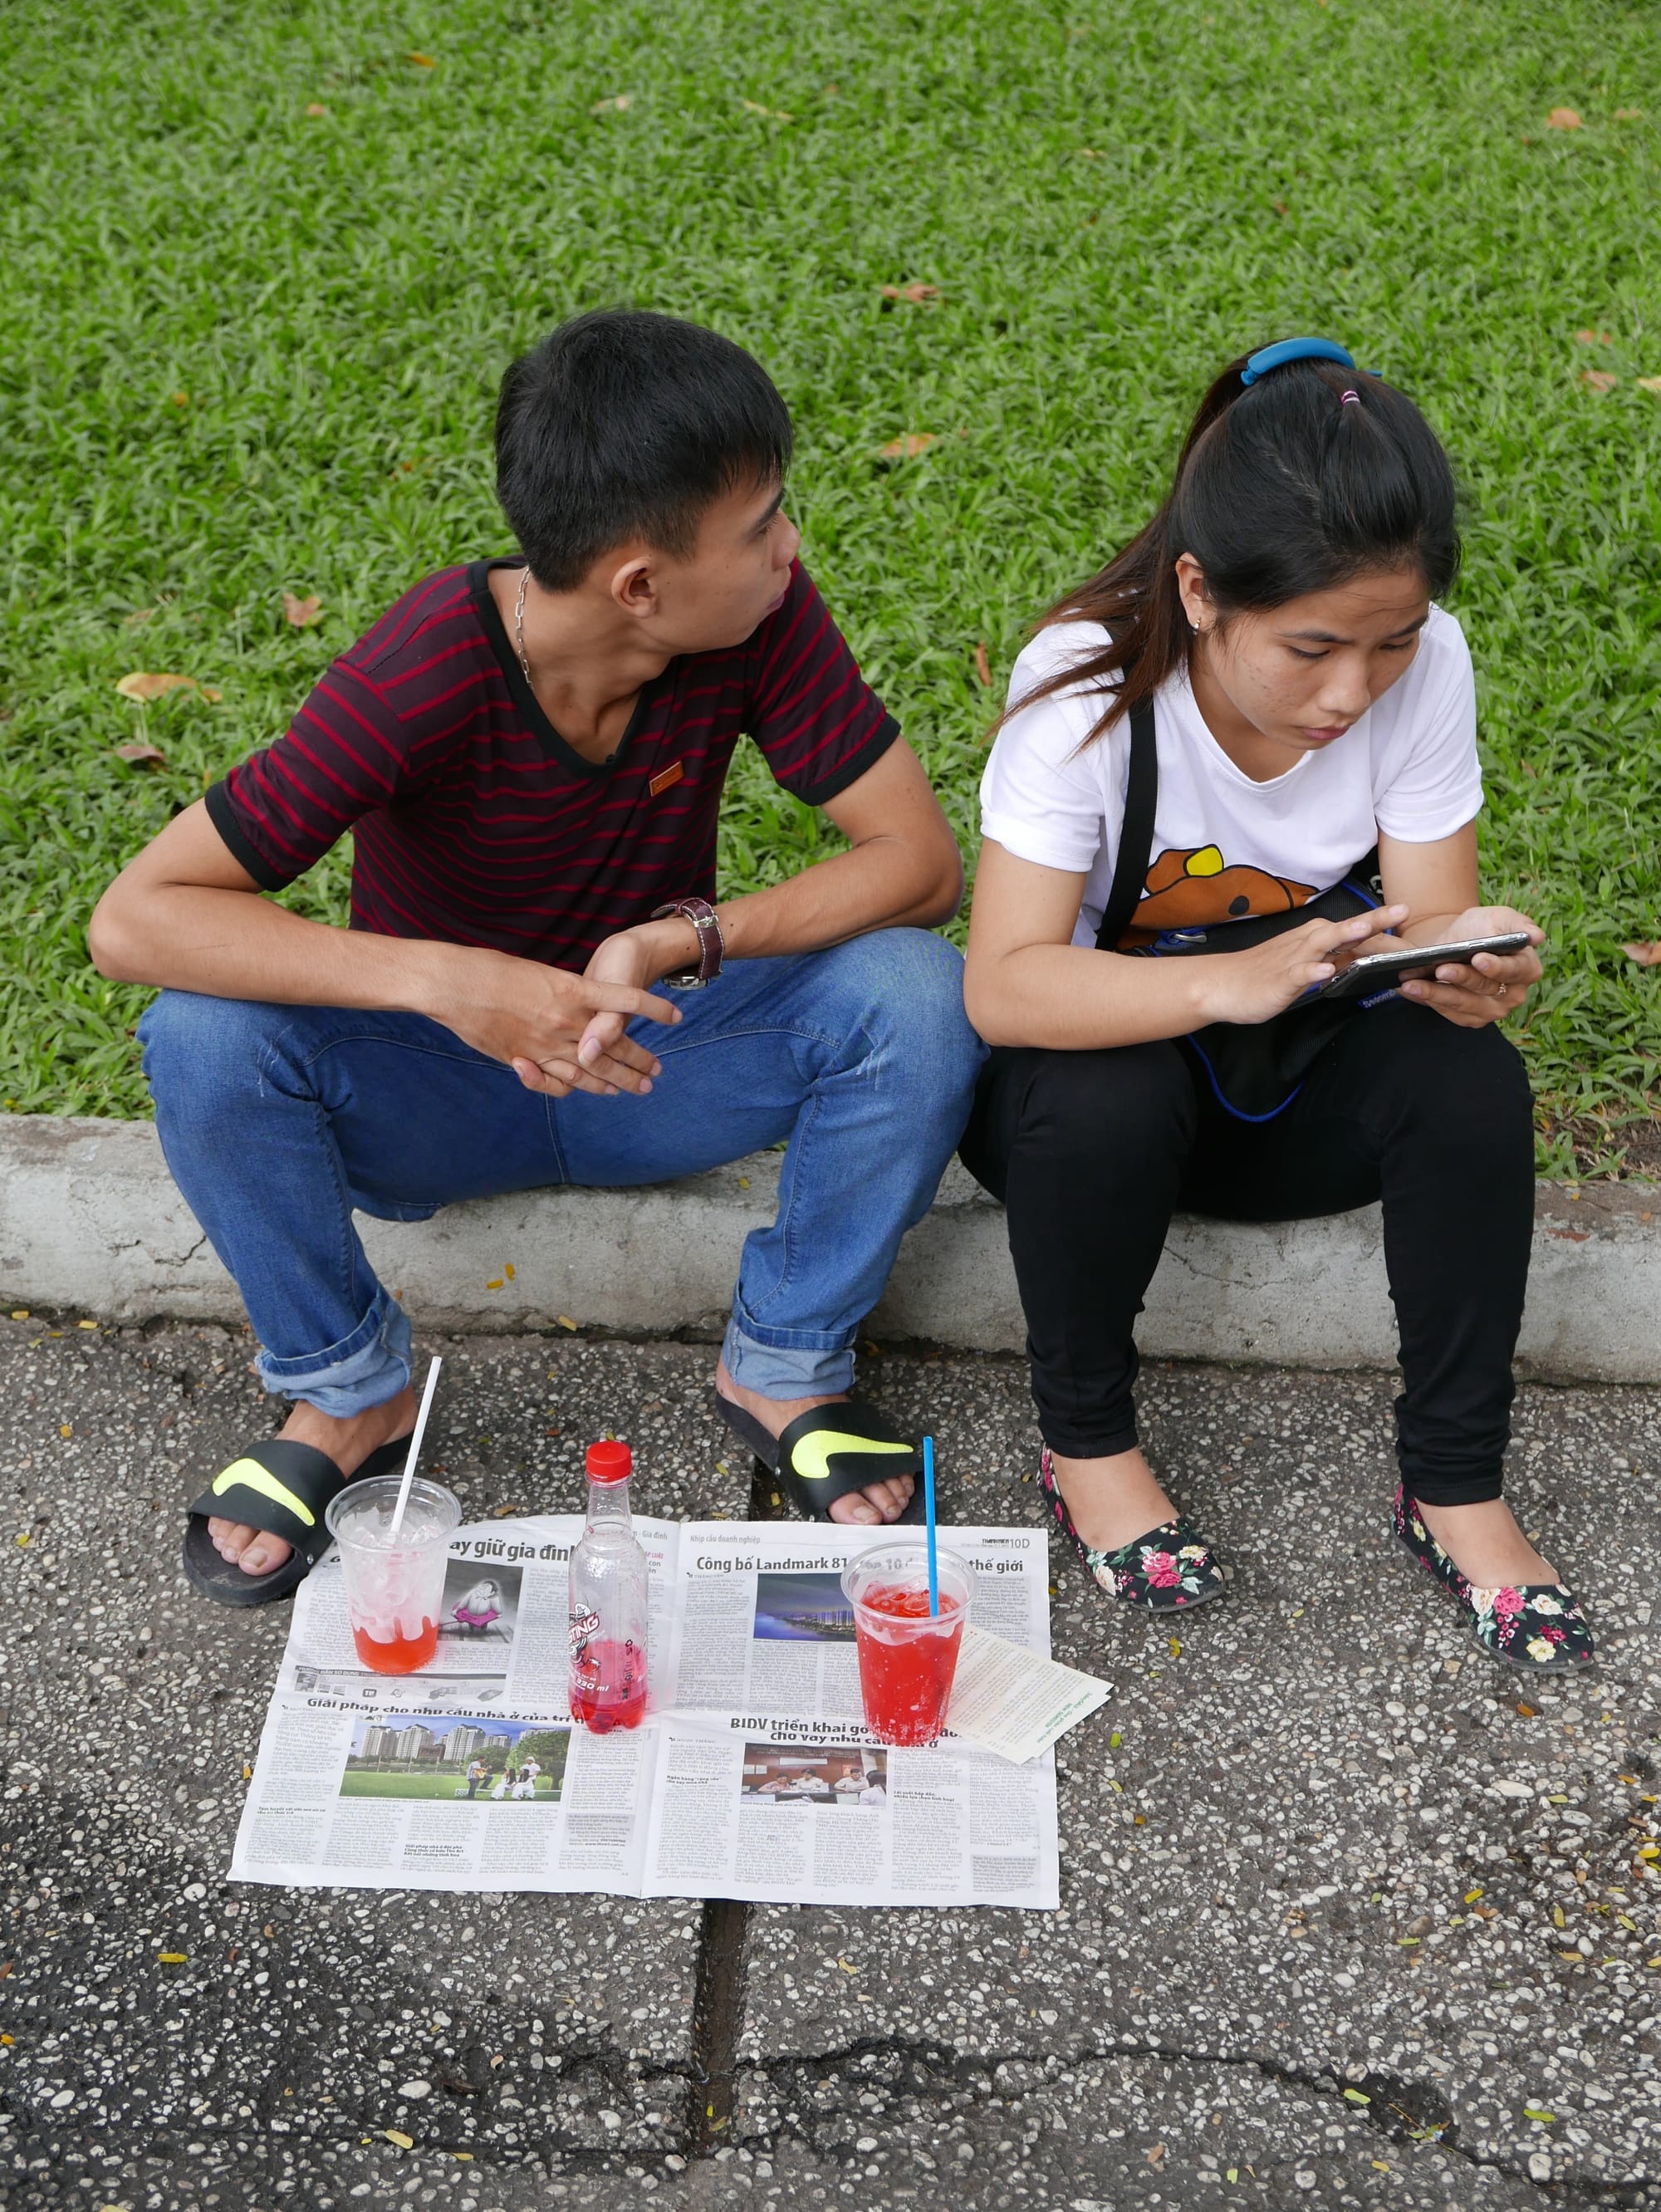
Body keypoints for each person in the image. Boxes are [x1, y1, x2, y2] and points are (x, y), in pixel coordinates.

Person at [90, 310, 984, 1606]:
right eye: (762, 525)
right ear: (638, 583)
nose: (791, 547)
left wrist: (677, 939)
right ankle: (347, 1394)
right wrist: (447, 982)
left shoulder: (760, 622)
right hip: (433, 1091)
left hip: (651, 1061)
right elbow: (137, 919)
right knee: (201, 1032)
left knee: (918, 990)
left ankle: (786, 1366)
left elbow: (916, 859)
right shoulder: (427, 668)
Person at [961, 337, 1592, 1674]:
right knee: (1099, 1085)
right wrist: (1223, 980)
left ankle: (1456, 1484)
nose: (1352, 690)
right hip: (1091, 1103)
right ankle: (1088, 1448)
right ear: (1199, 591)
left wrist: (1471, 960)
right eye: (1311, 649)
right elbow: (1006, 984)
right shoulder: (1082, 692)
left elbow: (1422, 917)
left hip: (1296, 1082)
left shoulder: (1424, 663)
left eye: (1389, 644)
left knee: (1472, 1082)